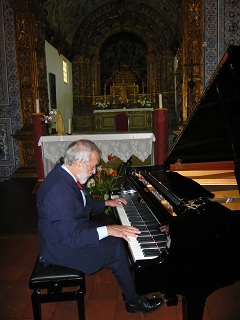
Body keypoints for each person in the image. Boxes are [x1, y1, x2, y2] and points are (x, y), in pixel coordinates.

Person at [36, 139, 163, 314]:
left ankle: (130, 286)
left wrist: (107, 203)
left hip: (72, 231)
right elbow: (72, 238)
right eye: (93, 166)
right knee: (117, 249)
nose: (95, 171)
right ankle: (133, 301)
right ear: (80, 162)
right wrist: (110, 230)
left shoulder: (66, 175)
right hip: (61, 247)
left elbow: (83, 204)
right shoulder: (58, 191)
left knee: (118, 237)